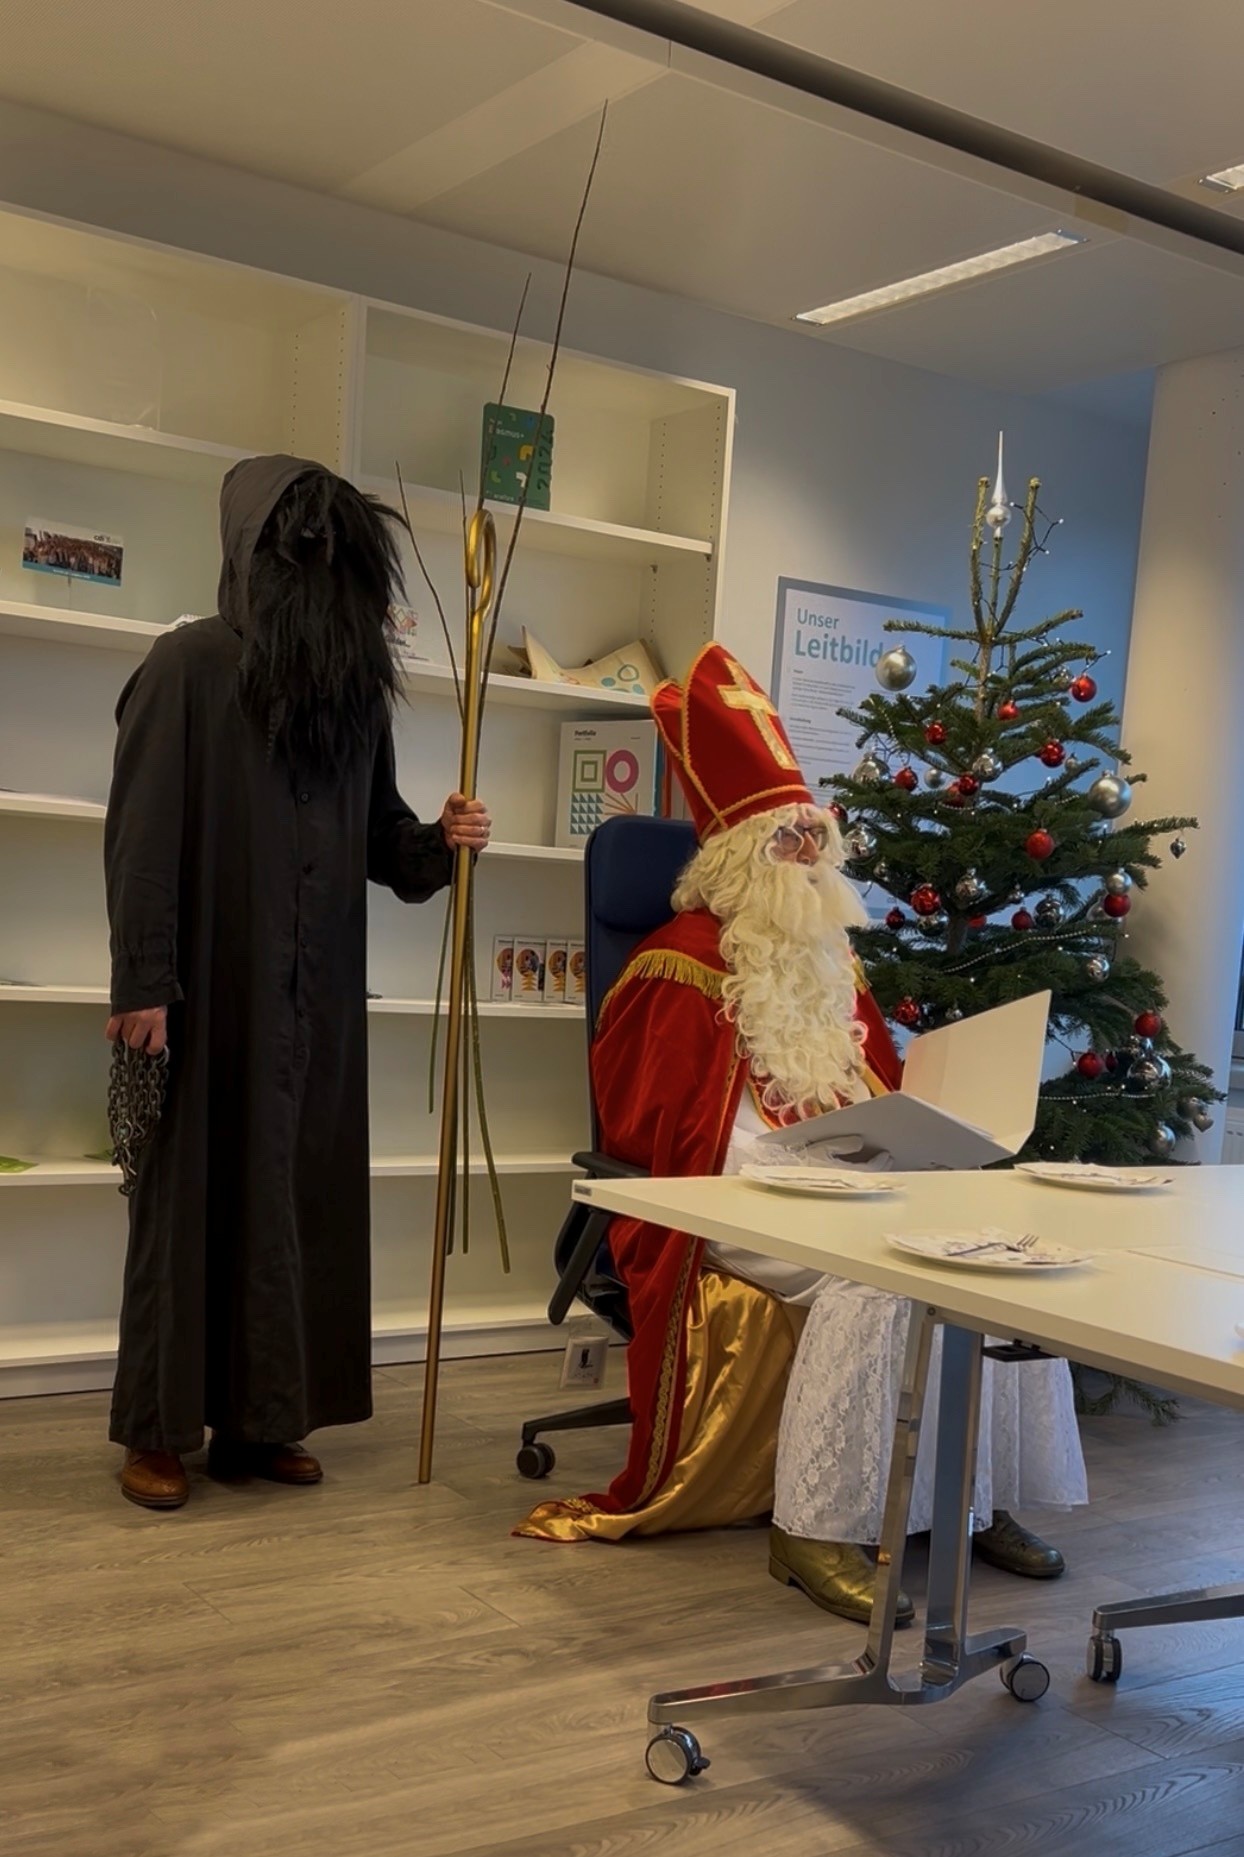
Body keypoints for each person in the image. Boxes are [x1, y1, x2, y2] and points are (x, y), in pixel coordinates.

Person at [518, 644, 1086, 1621]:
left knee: (996, 1254)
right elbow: (658, 1134)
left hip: (851, 1189)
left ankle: (976, 1494)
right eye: (788, 842)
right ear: (738, 858)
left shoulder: (832, 965)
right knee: (878, 1279)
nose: (811, 860)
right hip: (730, 1207)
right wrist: (808, 1178)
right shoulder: (674, 966)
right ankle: (814, 1528)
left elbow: (878, 1089)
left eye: (814, 839)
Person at [104, 454, 490, 1510]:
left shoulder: (352, 694)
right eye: (300, 548)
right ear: (253, 550)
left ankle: (262, 1421)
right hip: (203, 994)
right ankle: (158, 1428)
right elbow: (140, 844)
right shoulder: (186, 667)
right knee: (188, 1203)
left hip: (317, 1003)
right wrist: (143, 983)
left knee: (290, 1198)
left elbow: (383, 840)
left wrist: (441, 840)